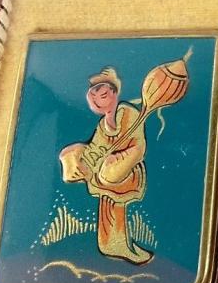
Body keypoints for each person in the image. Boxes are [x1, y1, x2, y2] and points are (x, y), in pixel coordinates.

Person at [58, 67, 151, 264]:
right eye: (94, 97)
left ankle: (120, 245)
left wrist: (118, 158)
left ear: (114, 94)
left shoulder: (129, 114)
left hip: (124, 170)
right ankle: (110, 245)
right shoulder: (103, 126)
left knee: (116, 206)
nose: (97, 101)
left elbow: (139, 147)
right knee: (107, 206)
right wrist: (82, 162)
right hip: (104, 172)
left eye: (103, 95)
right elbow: (95, 148)